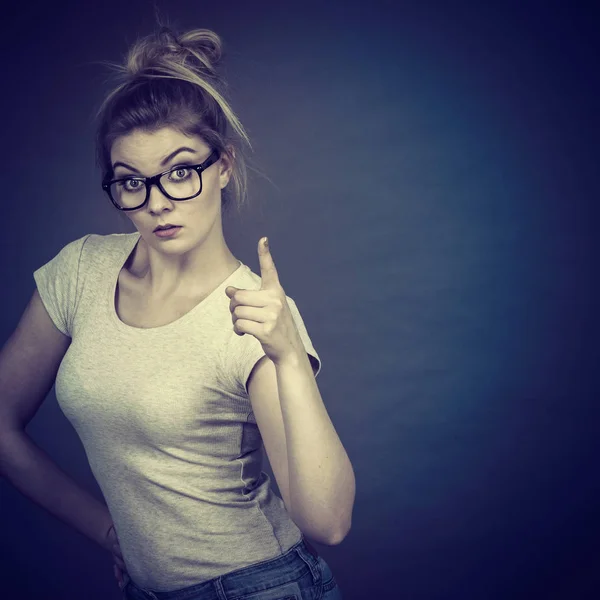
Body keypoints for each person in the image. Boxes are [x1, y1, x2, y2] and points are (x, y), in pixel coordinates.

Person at [0, 23, 354, 600]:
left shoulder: (254, 315)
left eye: (181, 171)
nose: (158, 201)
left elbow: (328, 521)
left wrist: (289, 357)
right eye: (131, 182)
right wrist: (108, 532)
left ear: (223, 167)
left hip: (260, 587)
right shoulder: (80, 271)